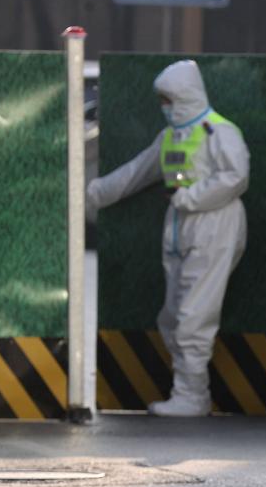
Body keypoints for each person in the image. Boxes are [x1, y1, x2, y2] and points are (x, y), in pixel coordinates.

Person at [86, 60, 249, 417]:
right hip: (180, 228)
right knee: (172, 315)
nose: (164, 106)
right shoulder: (171, 137)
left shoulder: (218, 133)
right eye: (162, 99)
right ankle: (188, 392)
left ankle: (192, 395)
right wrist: (91, 194)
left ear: (184, 96)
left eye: (168, 98)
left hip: (214, 228)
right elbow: (135, 174)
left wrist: (189, 198)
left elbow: (236, 177)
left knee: (193, 315)